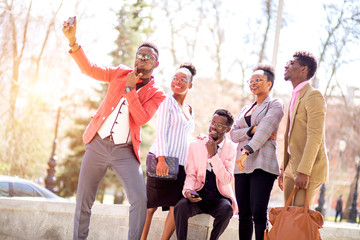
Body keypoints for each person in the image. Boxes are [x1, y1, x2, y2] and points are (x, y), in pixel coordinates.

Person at [62, 17, 166, 240]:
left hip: (124, 152)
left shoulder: (157, 93)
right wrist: (73, 42)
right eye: (140, 54)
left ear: (156, 64)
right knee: (83, 200)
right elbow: (89, 69)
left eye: (148, 56)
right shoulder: (119, 72)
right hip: (97, 144)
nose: (142, 58)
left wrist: (130, 89)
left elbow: (141, 118)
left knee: (139, 198)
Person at [141, 63, 196, 240]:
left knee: (175, 206)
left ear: (190, 85)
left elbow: (185, 136)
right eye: (175, 78)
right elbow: (161, 131)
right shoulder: (167, 102)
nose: (178, 82)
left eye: (183, 79)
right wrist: (162, 159)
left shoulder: (189, 110)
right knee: (150, 207)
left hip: (180, 166)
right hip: (161, 160)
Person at [230, 64, 284, 240]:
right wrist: (252, 129)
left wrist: (247, 149)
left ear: (269, 83)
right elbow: (232, 133)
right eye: (251, 80)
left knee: (259, 213)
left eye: (258, 80)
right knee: (243, 214)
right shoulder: (245, 109)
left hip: (262, 164)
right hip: (241, 166)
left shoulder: (275, 104)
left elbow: (266, 129)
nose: (253, 83)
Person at [174, 109, 237, 240]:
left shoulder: (232, 148)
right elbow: (191, 174)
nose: (213, 127)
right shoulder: (196, 145)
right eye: (212, 122)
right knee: (180, 207)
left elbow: (226, 180)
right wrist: (188, 191)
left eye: (219, 125)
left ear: (228, 130)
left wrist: (214, 155)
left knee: (227, 210)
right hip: (199, 195)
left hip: (219, 197)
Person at [278, 51, 329, 208]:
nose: (287, 65)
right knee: (287, 216)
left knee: (299, 220)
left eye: (292, 63)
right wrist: (283, 168)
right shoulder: (295, 95)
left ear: (303, 69)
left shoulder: (313, 96)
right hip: (291, 166)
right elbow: (289, 137)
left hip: (308, 169)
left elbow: (315, 135)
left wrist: (304, 171)